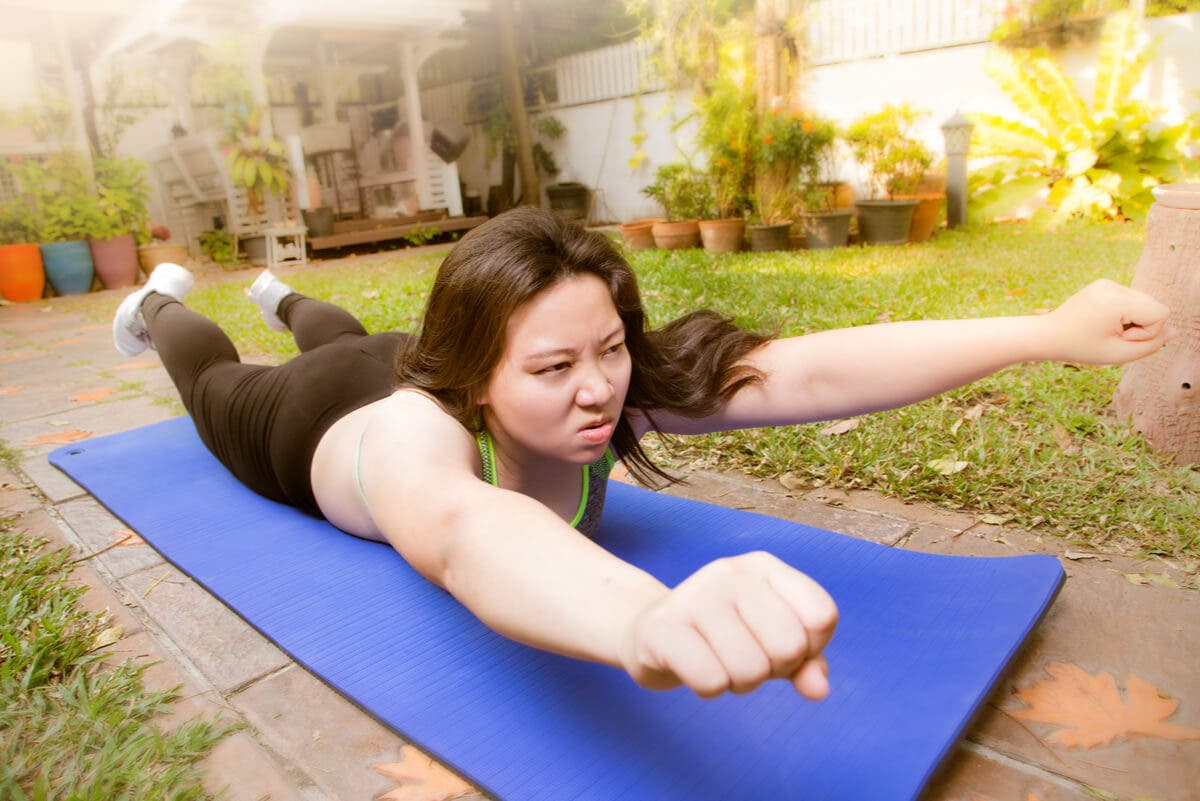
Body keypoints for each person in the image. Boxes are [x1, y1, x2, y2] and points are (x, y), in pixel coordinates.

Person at [112, 207, 1171, 702]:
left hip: (416, 354)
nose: (599, 388)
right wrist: (639, 617)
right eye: (557, 369)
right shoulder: (412, 446)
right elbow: (473, 535)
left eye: (610, 348)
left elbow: (804, 373)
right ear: (480, 379)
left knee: (343, 329)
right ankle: (160, 306)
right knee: (214, 379)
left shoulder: (586, 381)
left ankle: (286, 295)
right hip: (310, 416)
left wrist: (1044, 331)